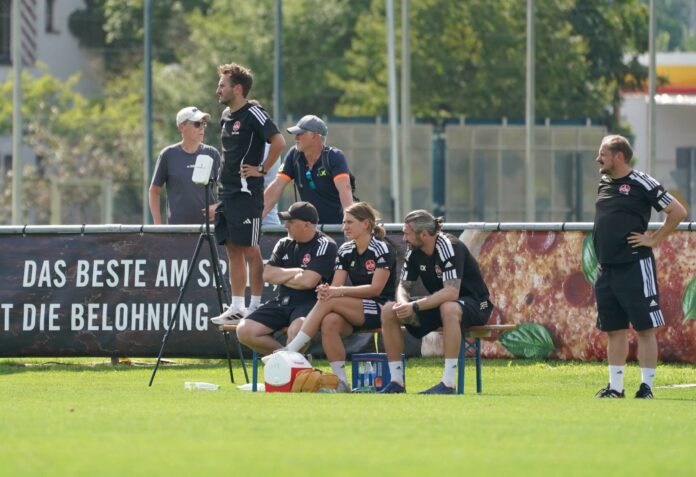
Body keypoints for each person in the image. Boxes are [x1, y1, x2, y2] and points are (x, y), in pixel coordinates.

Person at [592, 135, 686, 399]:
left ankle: (646, 388)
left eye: (603, 154)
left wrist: (654, 239)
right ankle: (616, 388)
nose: (598, 159)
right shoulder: (604, 182)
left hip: (634, 265)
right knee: (614, 329)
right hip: (606, 268)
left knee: (645, 328)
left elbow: (678, 211)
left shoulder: (642, 182)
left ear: (619, 156)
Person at [283, 202, 397, 390]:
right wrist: (327, 290)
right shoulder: (345, 249)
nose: (345, 227)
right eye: (344, 222)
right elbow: (336, 286)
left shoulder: (382, 249)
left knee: (331, 299)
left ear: (366, 224)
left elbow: (376, 289)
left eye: (350, 222)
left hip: (381, 308)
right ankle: (341, 382)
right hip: (355, 309)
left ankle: (292, 350)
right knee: (330, 322)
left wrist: (336, 292)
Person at [379, 210, 494, 394]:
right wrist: (403, 304)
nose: (404, 238)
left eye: (407, 233)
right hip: (441, 306)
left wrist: (414, 306)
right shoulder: (414, 251)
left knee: (448, 307)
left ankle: (448, 384)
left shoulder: (449, 246)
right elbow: (403, 286)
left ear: (423, 234)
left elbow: (451, 292)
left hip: (478, 304)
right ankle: (396, 382)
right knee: (388, 310)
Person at [211, 63, 286, 324]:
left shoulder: (254, 113)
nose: (217, 89)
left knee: (250, 249)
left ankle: (255, 306)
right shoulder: (226, 117)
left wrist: (262, 170)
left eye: (222, 85)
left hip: (246, 194)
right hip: (227, 194)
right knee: (232, 249)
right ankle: (236, 307)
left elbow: (279, 142)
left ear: (237, 88)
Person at [236, 201, 338, 355]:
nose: (286, 226)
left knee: (297, 330)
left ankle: (290, 366)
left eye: (291, 221)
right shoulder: (284, 242)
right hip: (283, 301)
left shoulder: (325, 244)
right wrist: (297, 271)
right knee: (244, 330)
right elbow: (268, 275)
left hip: (310, 303)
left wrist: (283, 276)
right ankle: (293, 361)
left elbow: (308, 282)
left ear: (307, 225)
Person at [262, 115, 354, 224]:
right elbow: (277, 186)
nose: (296, 138)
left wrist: (349, 222)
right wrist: (256, 217)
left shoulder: (334, 156)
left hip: (337, 227)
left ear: (314, 136)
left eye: (300, 134)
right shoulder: (294, 155)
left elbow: (345, 189)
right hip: (309, 228)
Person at [149, 106, 221, 224]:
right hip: (176, 231)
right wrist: (158, 226)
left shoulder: (213, 154)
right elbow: (154, 191)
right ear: (181, 127)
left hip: (208, 231)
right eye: (197, 124)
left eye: (203, 124)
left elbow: (227, 189)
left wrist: (219, 207)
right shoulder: (167, 155)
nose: (202, 127)